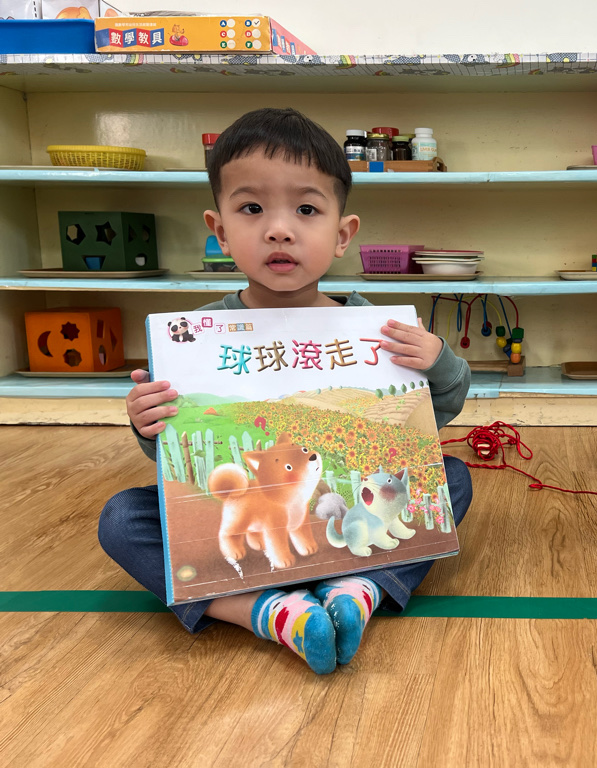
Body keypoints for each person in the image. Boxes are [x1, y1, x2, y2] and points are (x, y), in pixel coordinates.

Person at [98, 108, 472, 674]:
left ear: (342, 234)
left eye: (306, 209)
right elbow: (168, 456)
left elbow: (437, 414)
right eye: (251, 209)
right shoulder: (194, 335)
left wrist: (437, 361)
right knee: (123, 519)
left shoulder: (374, 326)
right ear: (220, 231)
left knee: (452, 478)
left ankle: (358, 590)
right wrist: (147, 422)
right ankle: (267, 611)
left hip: (340, 509)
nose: (279, 229)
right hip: (258, 509)